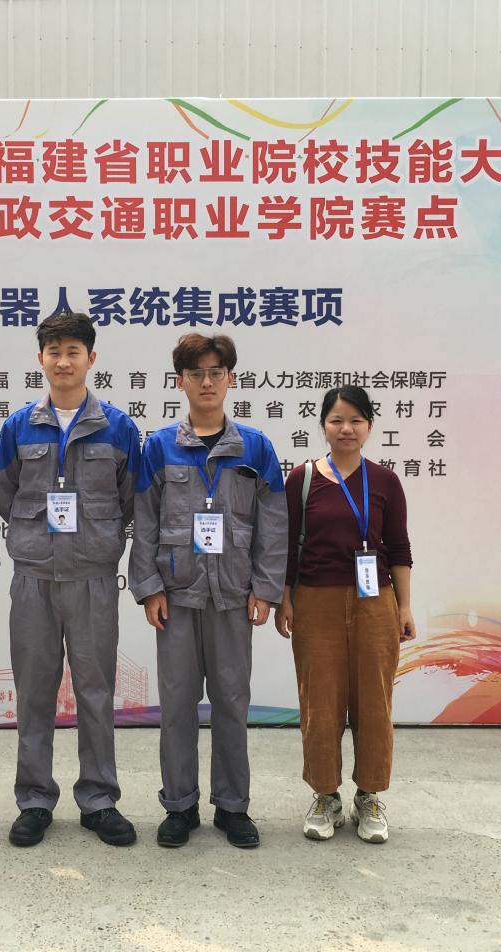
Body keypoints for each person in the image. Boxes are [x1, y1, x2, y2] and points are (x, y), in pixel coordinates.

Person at [129, 333, 287, 849]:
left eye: (216, 372)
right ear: (180, 382)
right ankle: (179, 806)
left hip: (233, 597)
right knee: (176, 705)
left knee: (231, 703)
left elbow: (273, 524)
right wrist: (149, 587)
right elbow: (144, 521)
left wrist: (265, 588)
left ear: (230, 379)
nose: (206, 382)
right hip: (176, 598)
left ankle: (233, 806)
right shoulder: (159, 447)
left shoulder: (255, 448)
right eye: (196, 373)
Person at [0, 311, 143, 847]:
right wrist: (37, 541)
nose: (63, 361)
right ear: (40, 359)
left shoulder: (118, 428)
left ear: (91, 359)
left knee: (95, 692)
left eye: (73, 351)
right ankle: (35, 799)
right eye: (53, 351)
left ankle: (99, 800)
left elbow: (131, 501)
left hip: (93, 581)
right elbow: (5, 494)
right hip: (34, 579)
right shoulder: (17, 427)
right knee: (33, 692)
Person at [274, 385, 415, 844]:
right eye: (336, 420)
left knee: (374, 702)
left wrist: (404, 607)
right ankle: (326, 796)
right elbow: (287, 546)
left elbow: (399, 549)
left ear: (369, 426)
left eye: (356, 420)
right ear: (323, 426)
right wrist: (284, 599)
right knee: (321, 703)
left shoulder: (386, 481)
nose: (346, 429)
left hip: (376, 603)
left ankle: (369, 796)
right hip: (316, 602)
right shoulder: (302, 480)